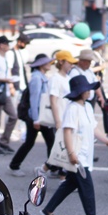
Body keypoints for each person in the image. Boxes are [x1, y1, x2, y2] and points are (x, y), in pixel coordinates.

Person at [40, 75, 108, 215]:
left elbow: (94, 128)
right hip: (77, 156)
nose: (89, 92)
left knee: (70, 184)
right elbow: (67, 132)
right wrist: (71, 153)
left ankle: (48, 209)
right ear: (79, 92)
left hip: (85, 154)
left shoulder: (87, 107)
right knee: (87, 187)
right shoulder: (72, 108)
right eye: (86, 89)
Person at [9, 54, 56, 177]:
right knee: (45, 142)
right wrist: (36, 119)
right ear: (41, 65)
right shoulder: (37, 78)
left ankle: (54, 168)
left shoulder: (41, 76)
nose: (49, 64)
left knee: (47, 142)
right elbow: (34, 100)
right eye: (47, 62)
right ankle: (15, 165)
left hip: (41, 116)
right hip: (38, 117)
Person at [35, 50, 79, 178]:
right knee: (64, 147)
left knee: (63, 147)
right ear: (61, 62)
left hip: (68, 117)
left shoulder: (68, 78)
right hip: (60, 118)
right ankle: (61, 177)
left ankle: (44, 169)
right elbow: (53, 101)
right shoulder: (55, 79)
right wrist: (58, 120)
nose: (71, 65)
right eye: (69, 62)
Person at [90, 33, 108, 139]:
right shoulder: (92, 55)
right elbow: (89, 70)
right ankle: (93, 134)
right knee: (93, 109)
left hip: (99, 85)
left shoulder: (98, 54)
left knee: (105, 108)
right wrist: (101, 67)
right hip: (94, 86)